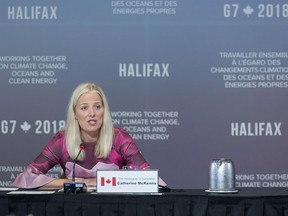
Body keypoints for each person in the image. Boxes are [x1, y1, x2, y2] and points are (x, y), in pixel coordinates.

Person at [13, 82, 155, 189]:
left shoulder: (119, 137)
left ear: (104, 111)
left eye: (97, 107)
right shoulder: (62, 140)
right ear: (75, 113)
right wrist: (69, 183)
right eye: (84, 108)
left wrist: (96, 182)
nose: (92, 113)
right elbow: (27, 178)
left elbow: (147, 178)